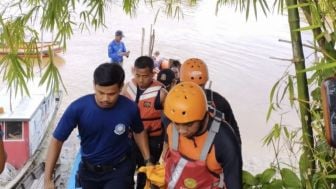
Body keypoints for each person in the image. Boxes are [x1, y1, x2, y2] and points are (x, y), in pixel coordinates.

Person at [44, 63, 151, 189]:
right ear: (94, 84)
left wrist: (148, 160)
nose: (105, 98)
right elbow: (57, 140)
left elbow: (138, 132)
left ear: (121, 87)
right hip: (89, 172)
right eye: (100, 92)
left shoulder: (130, 108)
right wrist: (47, 180)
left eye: (111, 94)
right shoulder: (77, 108)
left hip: (119, 170)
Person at [162, 82, 242, 189]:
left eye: (189, 124)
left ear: (203, 115)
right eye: (176, 123)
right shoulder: (170, 121)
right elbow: (165, 153)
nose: (181, 130)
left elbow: (234, 184)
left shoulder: (223, 140)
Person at [121, 56, 167, 189]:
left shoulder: (162, 93)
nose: (141, 80)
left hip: (153, 139)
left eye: (145, 76)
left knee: (146, 172)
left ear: (153, 73)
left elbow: (170, 121)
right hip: (130, 138)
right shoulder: (127, 88)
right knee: (126, 171)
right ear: (133, 71)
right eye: (137, 75)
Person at [180, 58, 241, 144]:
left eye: (199, 86)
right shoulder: (220, 101)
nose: (195, 91)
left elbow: (233, 131)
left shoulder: (220, 103)